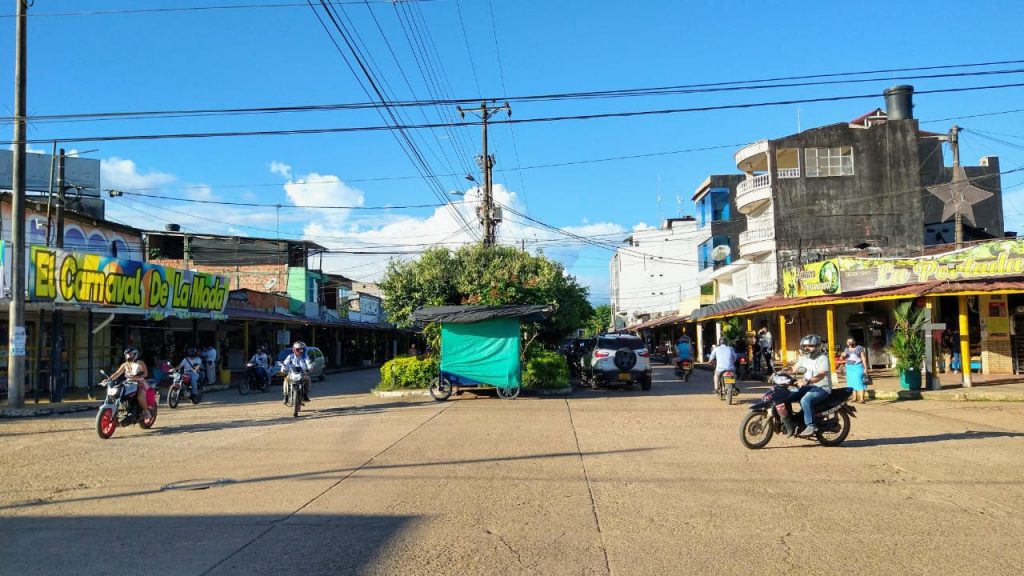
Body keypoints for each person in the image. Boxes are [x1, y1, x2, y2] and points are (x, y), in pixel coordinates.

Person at [785, 334, 832, 437]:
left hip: (822, 388)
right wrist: (781, 372)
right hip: (808, 386)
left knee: (805, 400)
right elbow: (793, 369)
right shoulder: (804, 358)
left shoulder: (823, 358)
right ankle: (792, 422)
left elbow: (821, 375)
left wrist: (808, 381)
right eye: (805, 346)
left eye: (810, 346)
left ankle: (811, 426)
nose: (807, 348)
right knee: (787, 397)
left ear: (818, 346)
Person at [106, 347, 151, 420]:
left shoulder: (140, 362)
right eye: (127, 354)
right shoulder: (125, 364)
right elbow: (117, 373)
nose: (128, 356)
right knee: (118, 392)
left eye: (130, 354)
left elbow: (145, 374)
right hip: (129, 382)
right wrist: (109, 379)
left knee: (140, 397)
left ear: (135, 354)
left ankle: (146, 411)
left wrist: (136, 377)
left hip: (140, 383)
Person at [842, 337, 870, 404]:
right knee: (851, 383)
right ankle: (854, 398)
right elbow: (842, 358)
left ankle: (862, 399)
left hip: (858, 367)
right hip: (849, 368)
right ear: (847, 343)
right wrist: (842, 355)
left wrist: (865, 368)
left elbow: (863, 358)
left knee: (860, 382)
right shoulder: (846, 350)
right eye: (848, 342)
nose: (850, 343)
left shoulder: (859, 348)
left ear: (854, 342)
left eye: (851, 342)